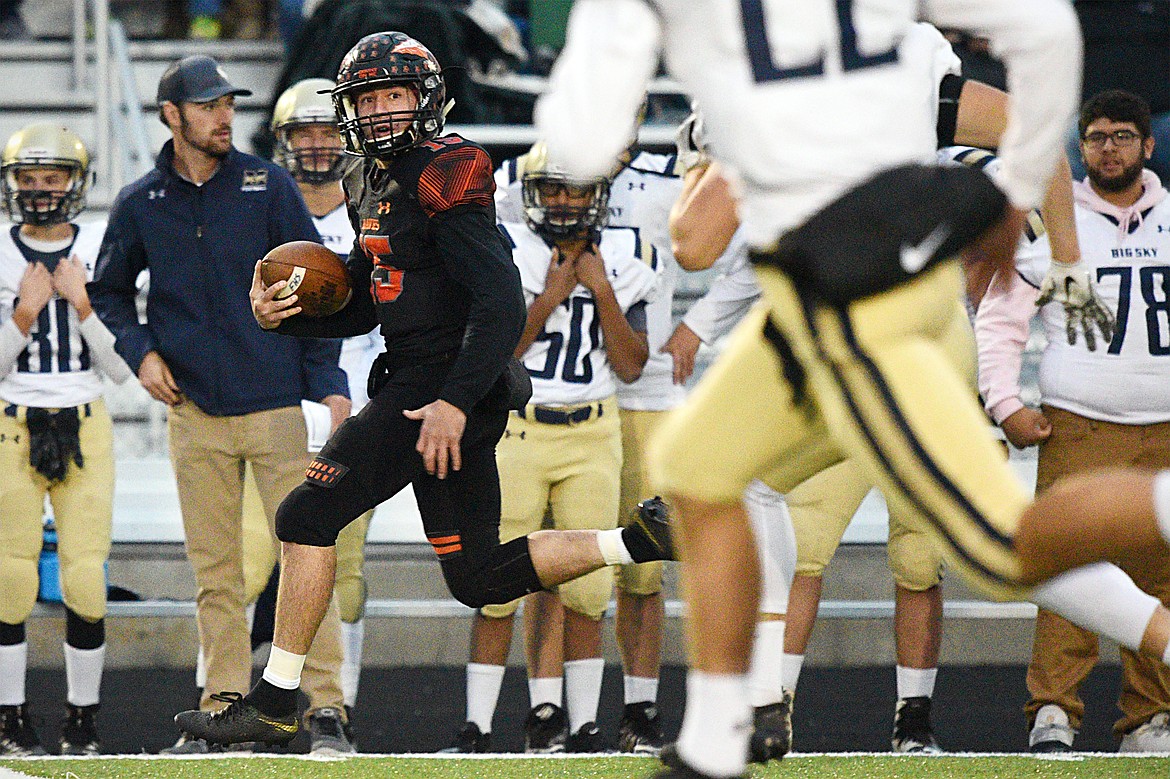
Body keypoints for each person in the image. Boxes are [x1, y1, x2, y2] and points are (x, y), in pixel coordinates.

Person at [535, 3, 1170, 778]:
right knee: (703, 470)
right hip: (831, 306)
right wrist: (1058, 254)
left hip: (864, 309)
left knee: (1002, 543)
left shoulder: (741, 51)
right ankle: (733, 720)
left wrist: (700, 147)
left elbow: (683, 230)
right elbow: (1043, 37)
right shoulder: (886, 30)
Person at [171, 31, 675, 749]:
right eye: (367, 97)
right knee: (478, 576)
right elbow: (372, 296)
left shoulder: (449, 169)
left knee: (306, 515)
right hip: (434, 385)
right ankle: (640, 536)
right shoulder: (365, 177)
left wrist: (450, 402)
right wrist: (284, 317)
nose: (379, 111)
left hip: (436, 384)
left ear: (426, 100)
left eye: (393, 94)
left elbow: (500, 303)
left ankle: (279, 697)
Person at [87, 54, 353, 755]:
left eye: (229, 104)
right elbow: (108, 290)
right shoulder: (141, 201)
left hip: (273, 405)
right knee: (216, 573)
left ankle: (327, 708)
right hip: (193, 412)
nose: (224, 116)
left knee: (306, 555)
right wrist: (139, 352)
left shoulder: (268, 186)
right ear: (171, 116)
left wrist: (326, 380)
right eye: (207, 106)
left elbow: (318, 287)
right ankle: (223, 707)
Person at [474, 125, 687, 757]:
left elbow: (630, 363)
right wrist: (552, 296)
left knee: (589, 585)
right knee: (496, 581)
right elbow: (499, 349)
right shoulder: (507, 244)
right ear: (531, 193)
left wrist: (599, 289)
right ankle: (479, 726)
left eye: (576, 191)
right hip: (519, 426)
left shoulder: (627, 254)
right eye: (552, 190)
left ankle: (583, 722)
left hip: (593, 425)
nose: (564, 203)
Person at [977, 90, 1170, 753]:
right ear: (1079, 147)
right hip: (1080, 424)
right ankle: (1053, 708)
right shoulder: (1055, 223)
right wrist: (1004, 403)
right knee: (1067, 570)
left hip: (1167, 428)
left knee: (1160, 574)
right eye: (1094, 136)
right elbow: (1002, 320)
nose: (1108, 146)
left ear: (1149, 145)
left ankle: (1149, 717)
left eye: (1121, 135)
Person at [0, 124, 132, 757]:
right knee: (9, 576)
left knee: (84, 576)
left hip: (84, 414)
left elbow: (122, 368)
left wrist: (81, 304)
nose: (39, 190)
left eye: (52, 178)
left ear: (74, 185)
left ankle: (83, 719)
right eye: (29, 178)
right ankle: (10, 715)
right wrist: (24, 315)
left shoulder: (102, 249)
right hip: (10, 419)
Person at [268, 76, 377, 744]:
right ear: (283, 142)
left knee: (349, 572)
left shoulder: (372, 210)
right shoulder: (272, 217)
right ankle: (265, 695)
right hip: (283, 405)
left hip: (365, 409)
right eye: (301, 132)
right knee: (260, 564)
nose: (314, 145)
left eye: (325, 131)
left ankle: (337, 707)